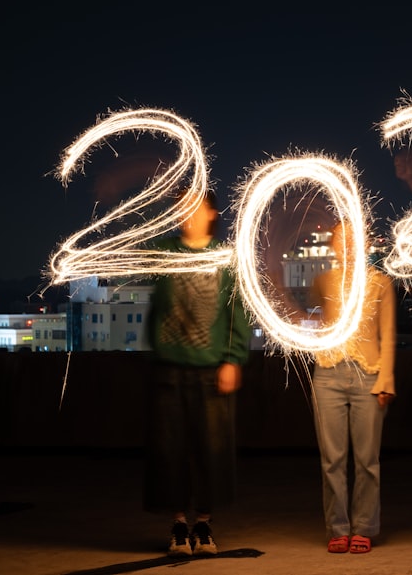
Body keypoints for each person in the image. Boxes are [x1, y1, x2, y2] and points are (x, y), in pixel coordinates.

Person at [143, 190, 252, 557]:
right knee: (170, 450)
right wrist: (158, 351)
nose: (184, 214)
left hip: (210, 369)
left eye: (193, 207)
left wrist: (233, 358)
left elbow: (239, 310)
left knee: (211, 450)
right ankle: (177, 524)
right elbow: (155, 307)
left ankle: (203, 524)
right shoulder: (166, 252)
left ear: (211, 213)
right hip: (170, 369)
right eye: (180, 208)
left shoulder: (226, 257)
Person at [309, 221, 396, 554]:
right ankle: (338, 528)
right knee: (331, 459)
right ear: (332, 245)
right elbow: (312, 320)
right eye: (339, 238)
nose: (345, 244)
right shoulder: (322, 282)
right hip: (328, 373)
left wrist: (386, 379)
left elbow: (388, 335)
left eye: (352, 238)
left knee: (367, 459)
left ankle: (364, 527)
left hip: (369, 375)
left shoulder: (380, 283)